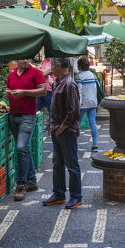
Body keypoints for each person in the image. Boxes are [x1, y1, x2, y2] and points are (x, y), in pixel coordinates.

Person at [4, 59, 46, 201]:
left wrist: (24, 92)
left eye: (28, 58)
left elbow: (43, 91)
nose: (26, 61)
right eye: (23, 58)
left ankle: (21, 185)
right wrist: (7, 95)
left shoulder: (36, 72)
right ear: (17, 60)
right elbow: (8, 91)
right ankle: (32, 181)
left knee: (21, 148)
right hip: (13, 115)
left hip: (28, 116)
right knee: (25, 149)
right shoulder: (12, 74)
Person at [43, 58, 82, 208]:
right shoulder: (59, 81)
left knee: (71, 164)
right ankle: (58, 194)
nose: (50, 68)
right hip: (56, 129)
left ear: (58, 66)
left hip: (65, 131)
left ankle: (76, 197)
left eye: (52, 65)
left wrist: (62, 127)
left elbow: (74, 110)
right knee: (57, 163)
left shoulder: (69, 84)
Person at [76, 57, 99, 152]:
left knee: (77, 124)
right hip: (93, 102)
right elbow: (98, 87)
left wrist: (78, 104)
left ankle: (74, 144)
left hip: (83, 104)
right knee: (92, 123)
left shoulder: (79, 76)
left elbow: (79, 91)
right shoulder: (93, 75)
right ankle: (95, 145)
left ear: (79, 66)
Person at [37, 57, 54, 125]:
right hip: (41, 88)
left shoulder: (54, 62)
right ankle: (38, 127)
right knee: (37, 107)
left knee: (51, 108)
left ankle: (52, 127)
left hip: (49, 89)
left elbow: (45, 74)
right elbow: (37, 72)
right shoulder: (44, 61)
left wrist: (41, 70)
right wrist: (43, 70)